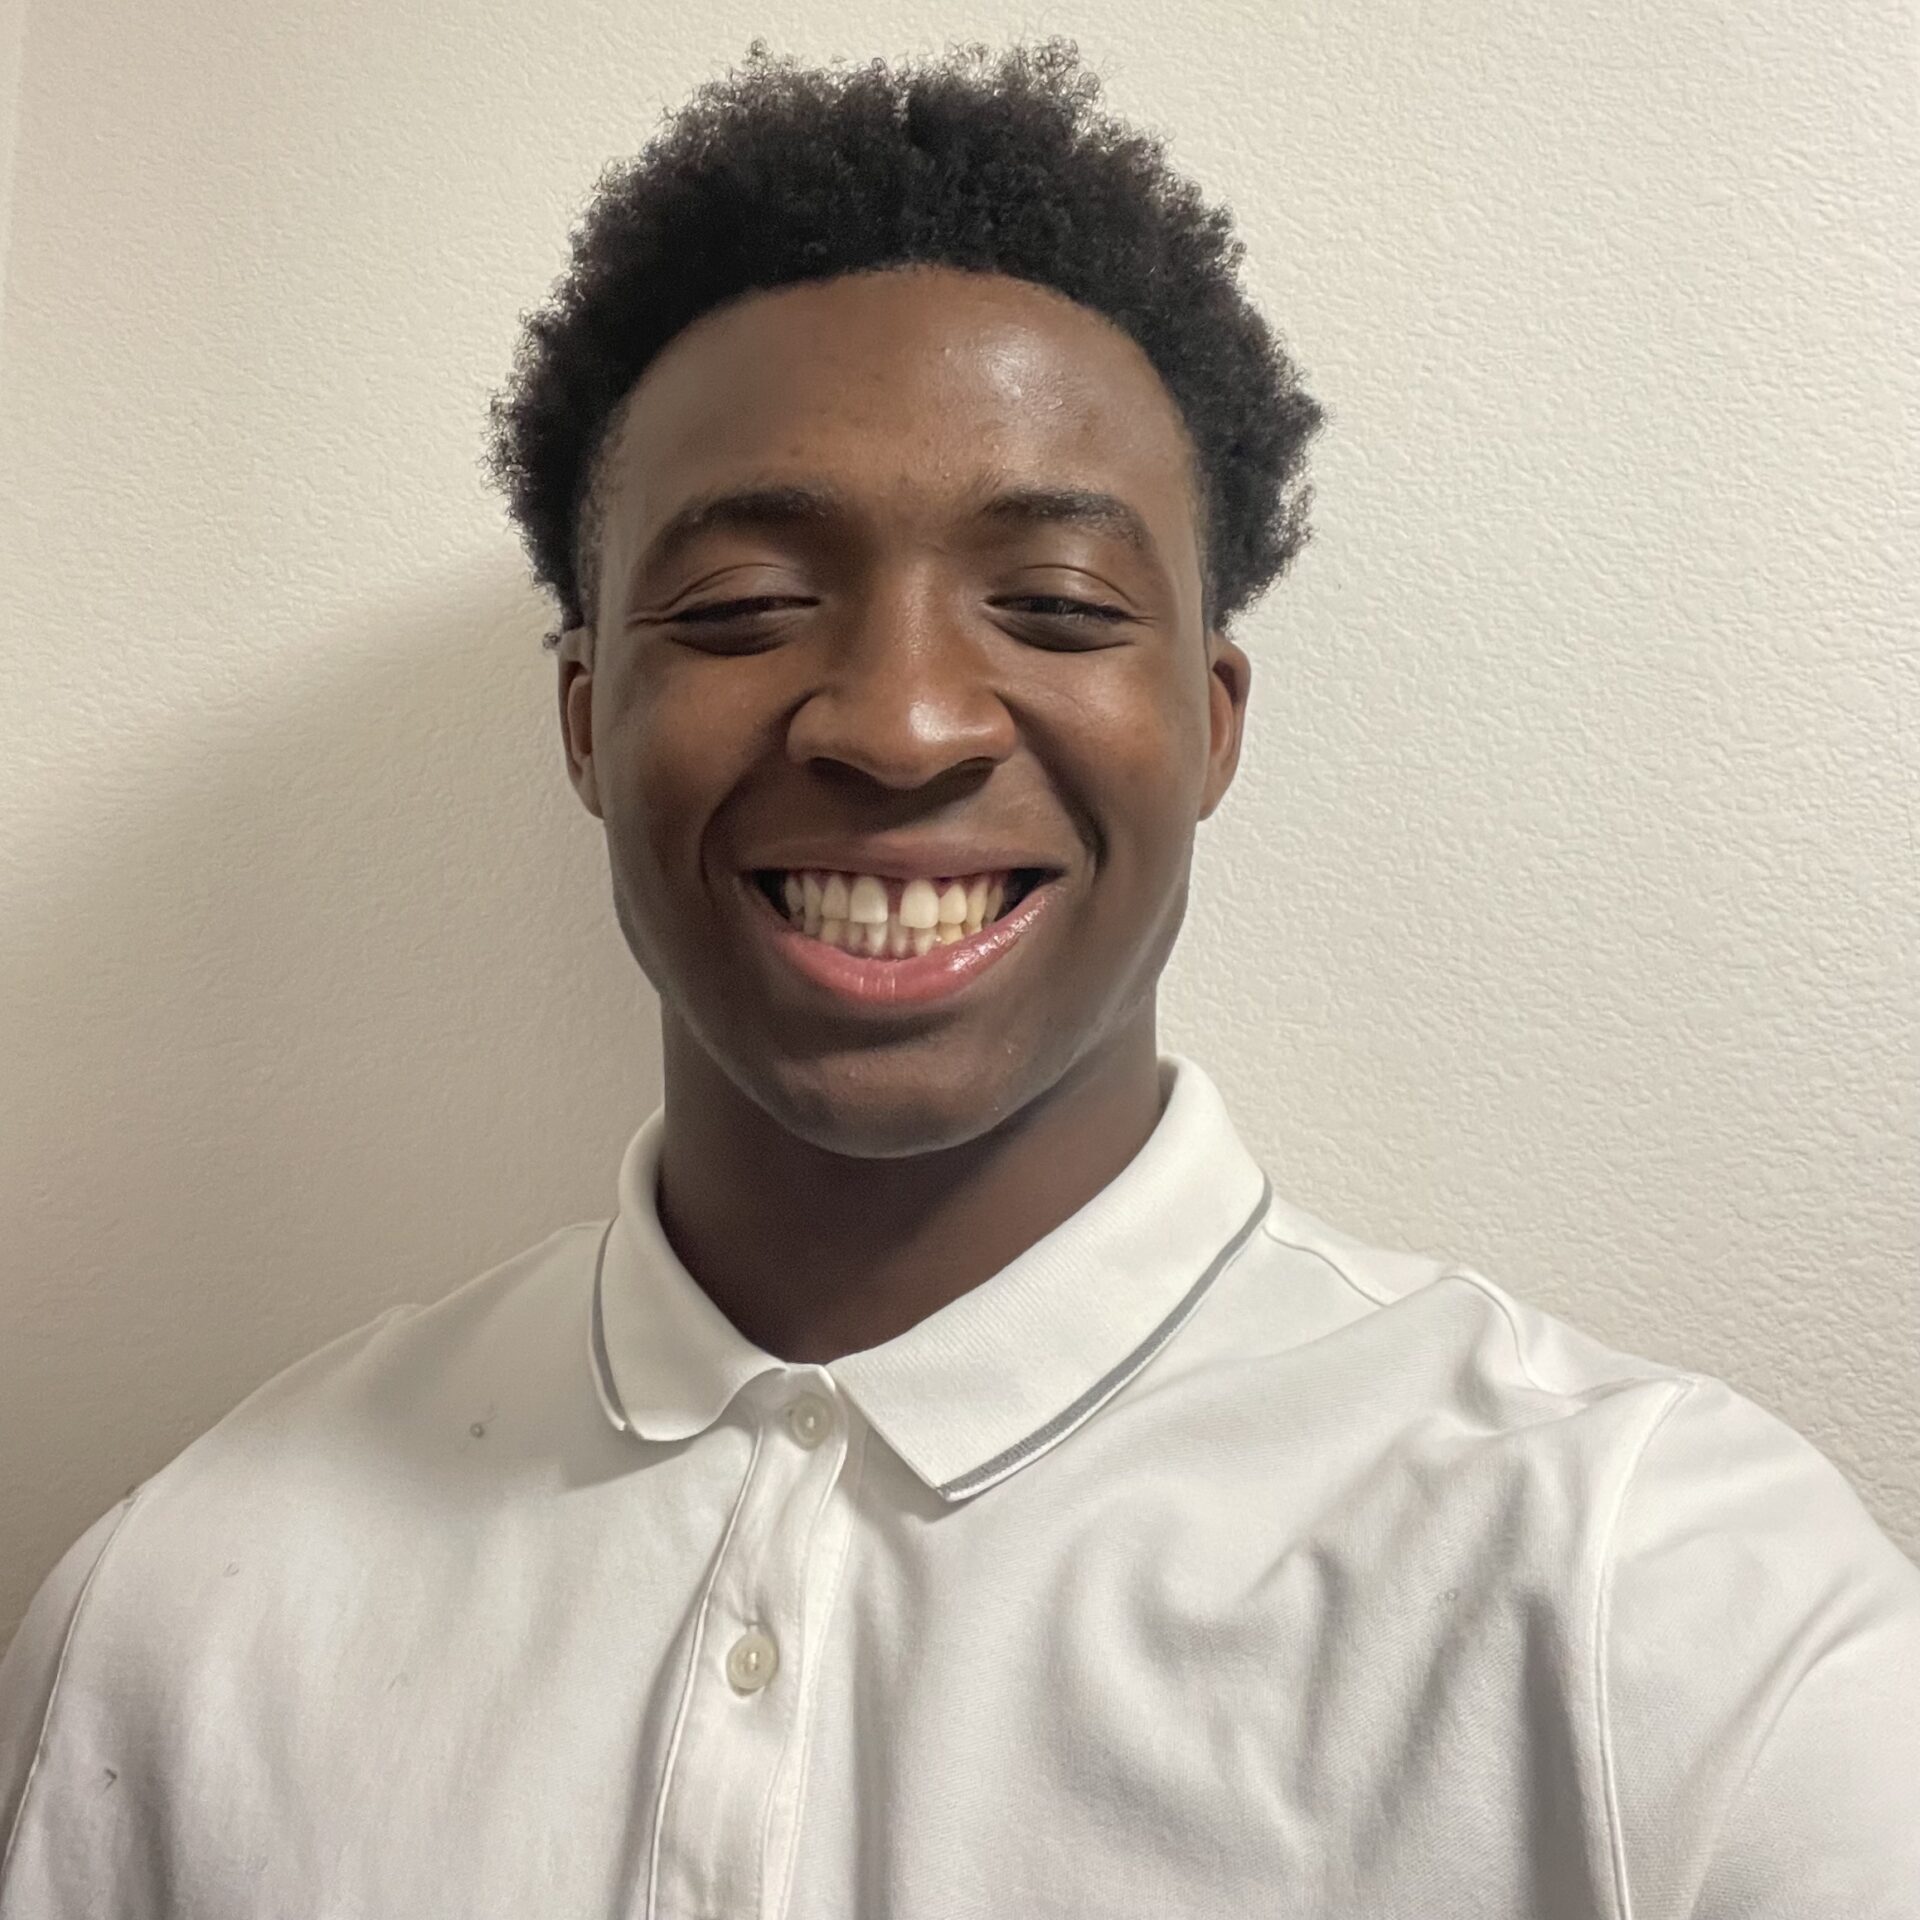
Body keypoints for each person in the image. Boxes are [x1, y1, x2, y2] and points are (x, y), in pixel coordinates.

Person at [2, 38, 1915, 1919]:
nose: (902, 722)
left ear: (1210, 724)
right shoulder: (180, 1623)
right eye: (747, 607)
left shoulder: (1651, 1614)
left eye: (1061, 608)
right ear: (588, 719)